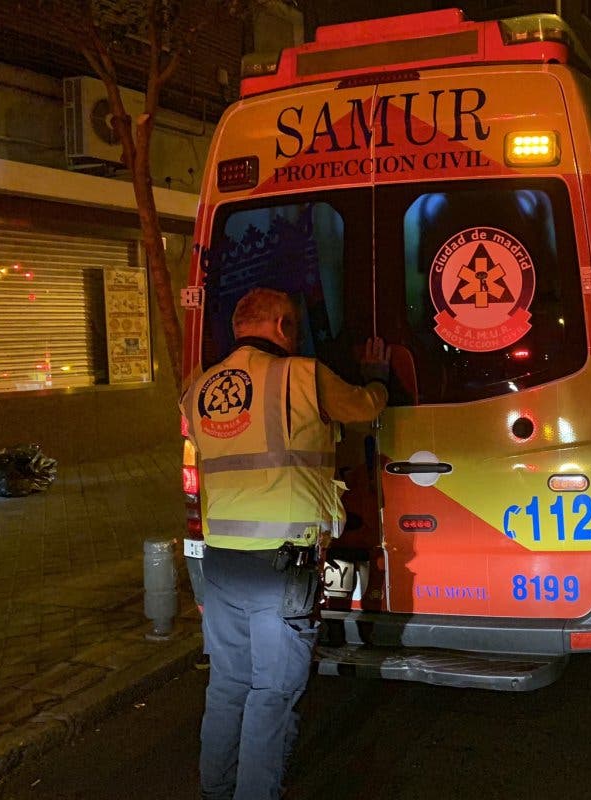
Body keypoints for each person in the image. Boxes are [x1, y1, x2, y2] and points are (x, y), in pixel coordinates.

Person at [181, 287, 389, 800]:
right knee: (272, 693)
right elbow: (363, 412)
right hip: (281, 567)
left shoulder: (198, 387)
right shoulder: (301, 375)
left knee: (228, 685)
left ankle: (216, 789)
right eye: (294, 326)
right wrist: (378, 378)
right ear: (281, 326)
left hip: (223, 564)